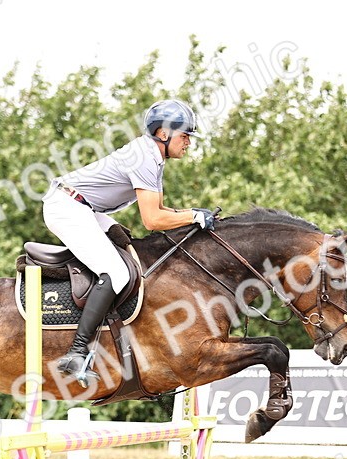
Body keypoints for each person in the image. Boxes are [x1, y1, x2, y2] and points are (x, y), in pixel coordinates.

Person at [42, 98, 216, 385]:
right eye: (185, 135)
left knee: (129, 249)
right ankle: (75, 353)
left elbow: (162, 212)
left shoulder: (154, 157)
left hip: (83, 208)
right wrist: (194, 216)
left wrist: (192, 217)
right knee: (117, 273)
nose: (188, 142)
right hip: (67, 207)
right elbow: (153, 220)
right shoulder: (146, 157)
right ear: (164, 134)